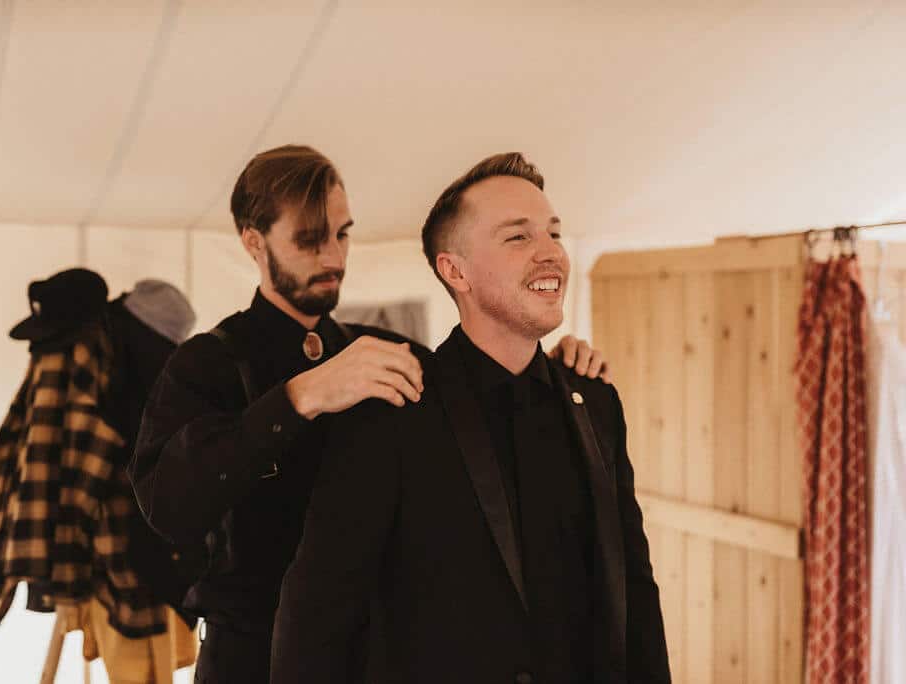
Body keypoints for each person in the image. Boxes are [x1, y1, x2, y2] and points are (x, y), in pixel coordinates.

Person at [130, 145, 611, 684]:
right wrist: (299, 398)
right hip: (249, 657)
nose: (334, 257)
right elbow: (166, 505)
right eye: (310, 240)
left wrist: (556, 373)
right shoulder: (207, 362)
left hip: (375, 656)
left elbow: (477, 425)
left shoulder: (388, 350)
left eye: (343, 234)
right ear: (253, 241)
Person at [270, 152, 669, 684]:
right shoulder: (391, 410)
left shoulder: (595, 401)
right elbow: (316, 619)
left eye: (553, 232)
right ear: (455, 270)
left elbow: (635, 588)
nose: (551, 252)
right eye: (518, 237)